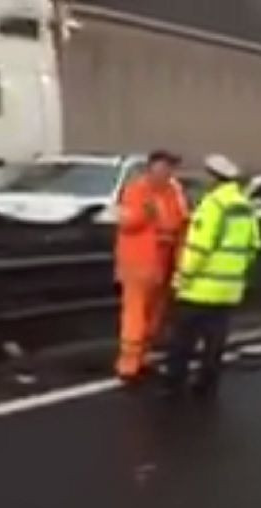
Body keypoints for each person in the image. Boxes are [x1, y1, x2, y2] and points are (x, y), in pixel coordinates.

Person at [162, 155, 261, 398]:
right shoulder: (245, 206)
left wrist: (182, 278)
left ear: (213, 179)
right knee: (215, 342)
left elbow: (198, 248)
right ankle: (207, 385)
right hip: (228, 289)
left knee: (182, 340)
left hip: (200, 287)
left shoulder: (212, 206)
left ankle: (175, 384)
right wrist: (233, 272)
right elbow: (254, 245)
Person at [114, 150, 189, 384]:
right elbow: (125, 222)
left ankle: (143, 357)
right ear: (151, 168)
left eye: (170, 168)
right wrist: (145, 214)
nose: (167, 173)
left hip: (164, 260)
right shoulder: (135, 190)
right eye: (163, 168)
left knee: (155, 314)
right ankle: (129, 364)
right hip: (138, 261)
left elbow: (181, 221)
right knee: (135, 313)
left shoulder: (173, 192)